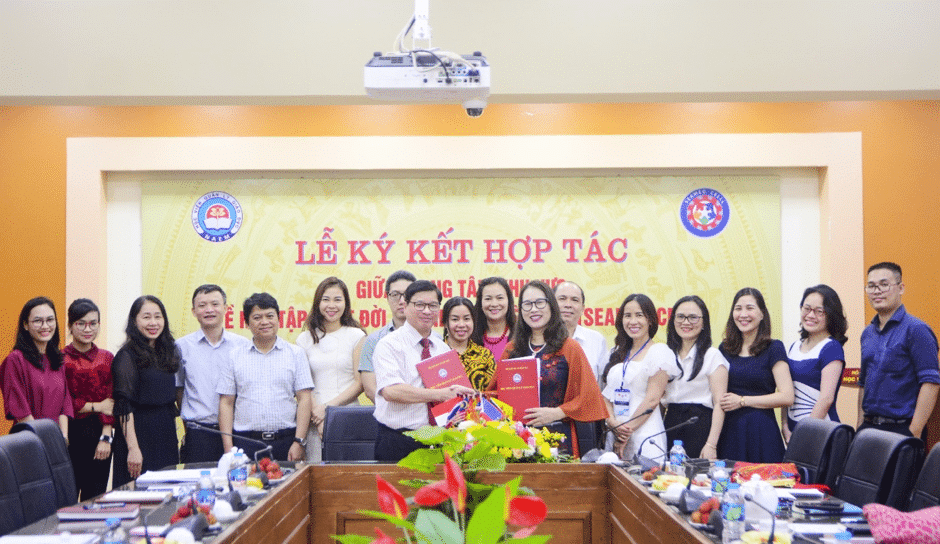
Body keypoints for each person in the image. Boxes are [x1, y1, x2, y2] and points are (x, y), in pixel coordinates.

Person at [496, 280, 607, 458]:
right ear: (520, 310)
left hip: (559, 439)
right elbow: (496, 393)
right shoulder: (512, 348)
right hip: (516, 443)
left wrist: (558, 413)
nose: (534, 309)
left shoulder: (570, 347)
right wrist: (471, 396)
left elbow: (589, 396)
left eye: (540, 303)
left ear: (552, 306)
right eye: (527, 304)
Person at [373, 280, 475, 462]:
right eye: (420, 305)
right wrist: (442, 394)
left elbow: (453, 394)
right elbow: (391, 391)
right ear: (405, 306)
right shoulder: (388, 345)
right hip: (398, 440)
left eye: (433, 305)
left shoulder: (442, 348)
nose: (427, 311)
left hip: (438, 440)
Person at [218, 293, 313, 461]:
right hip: (245, 442)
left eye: (270, 316)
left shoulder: (296, 354)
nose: (264, 322)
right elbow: (226, 403)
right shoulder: (233, 356)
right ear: (247, 323)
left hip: (286, 441)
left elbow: (304, 399)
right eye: (257, 317)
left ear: (278, 319)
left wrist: (299, 441)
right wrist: (228, 448)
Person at [858, 262, 939, 440]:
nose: (877, 291)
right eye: (871, 286)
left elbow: (931, 383)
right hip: (868, 427)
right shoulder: (867, 334)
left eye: (884, 284)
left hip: (902, 429)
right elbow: (863, 383)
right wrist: (859, 426)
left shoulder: (917, 330)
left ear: (901, 288)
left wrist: (914, 431)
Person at [717, 288, 793, 463]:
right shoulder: (724, 348)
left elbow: (787, 396)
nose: (743, 314)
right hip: (729, 431)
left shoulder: (774, 348)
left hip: (761, 431)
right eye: (738, 308)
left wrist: (742, 401)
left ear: (761, 314)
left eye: (750, 308)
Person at [111, 295, 181, 487]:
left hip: (165, 434)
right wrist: (133, 449)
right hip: (139, 435)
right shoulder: (126, 356)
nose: (153, 323)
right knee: (139, 494)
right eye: (146, 317)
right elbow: (124, 407)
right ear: (134, 321)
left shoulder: (168, 352)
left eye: (158, 317)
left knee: (167, 491)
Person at [176, 284, 249, 463]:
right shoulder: (181, 347)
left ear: (225, 308)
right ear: (193, 311)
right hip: (199, 434)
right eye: (202, 305)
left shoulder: (242, 345)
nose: (209, 310)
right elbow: (179, 389)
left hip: (237, 432)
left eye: (215, 304)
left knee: (238, 479)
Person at [600, 294, 678, 463]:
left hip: (645, 434)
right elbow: (605, 397)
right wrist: (612, 423)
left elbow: (652, 400)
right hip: (616, 433)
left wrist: (626, 432)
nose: (633, 321)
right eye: (628, 316)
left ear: (650, 320)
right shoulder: (616, 352)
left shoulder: (659, 352)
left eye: (639, 315)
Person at [297, 276, 366, 462]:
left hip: (347, 415)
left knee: (348, 473)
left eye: (337, 300)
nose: (332, 305)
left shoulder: (356, 335)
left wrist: (327, 410)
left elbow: (359, 383)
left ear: (346, 303)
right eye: (326, 299)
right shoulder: (304, 339)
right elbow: (303, 385)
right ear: (318, 303)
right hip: (313, 418)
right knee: (317, 471)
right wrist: (318, 416)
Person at [662, 296, 728, 460]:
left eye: (693, 317)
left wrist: (711, 444)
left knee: (697, 474)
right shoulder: (666, 355)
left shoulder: (712, 355)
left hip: (699, 425)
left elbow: (720, 404)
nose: (686, 322)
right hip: (670, 423)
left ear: (704, 322)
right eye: (680, 317)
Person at [62, 298, 115, 500]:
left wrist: (106, 438)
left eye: (93, 323)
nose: (88, 329)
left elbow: (111, 400)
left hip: (99, 433)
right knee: (67, 496)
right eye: (81, 323)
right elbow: (63, 401)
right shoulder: (59, 359)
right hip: (69, 433)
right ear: (70, 325)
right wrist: (96, 406)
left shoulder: (106, 358)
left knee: (95, 496)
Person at [1, 297, 73, 441]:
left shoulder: (57, 359)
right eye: (38, 321)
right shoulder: (15, 360)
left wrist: (63, 438)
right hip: (29, 441)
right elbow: (20, 409)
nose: (45, 326)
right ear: (26, 325)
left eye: (50, 320)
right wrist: (44, 440)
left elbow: (65, 404)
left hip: (55, 441)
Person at [783, 285, 847, 443]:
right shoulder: (794, 347)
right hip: (793, 432)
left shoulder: (831, 348)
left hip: (820, 434)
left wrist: (804, 435)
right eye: (807, 309)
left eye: (819, 311)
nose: (811, 315)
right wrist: (784, 426)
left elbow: (826, 399)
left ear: (831, 315)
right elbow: (786, 392)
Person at [356, 270, 415, 403]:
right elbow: (370, 389)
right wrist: (394, 410)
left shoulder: (432, 339)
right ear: (387, 297)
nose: (402, 301)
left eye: (407, 295)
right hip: (387, 413)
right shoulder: (373, 341)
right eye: (395, 295)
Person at [554, 281, 609, 384]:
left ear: (582, 308)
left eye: (575, 300)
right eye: (562, 299)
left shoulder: (596, 339)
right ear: (551, 304)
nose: (568, 305)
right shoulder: (540, 339)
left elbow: (604, 383)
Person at [442, 297, 496, 390]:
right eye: (455, 319)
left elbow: (492, 392)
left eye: (466, 319)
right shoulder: (436, 353)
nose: (461, 325)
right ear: (445, 323)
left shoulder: (485, 355)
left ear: (473, 321)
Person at [471, 277, 515, 363]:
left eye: (500, 298)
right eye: (488, 299)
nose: (494, 304)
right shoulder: (471, 337)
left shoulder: (521, 335)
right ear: (480, 303)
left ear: (508, 301)